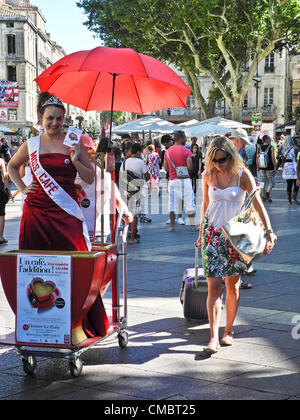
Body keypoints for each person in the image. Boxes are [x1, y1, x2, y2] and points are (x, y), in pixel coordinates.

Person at [7, 92, 100, 346]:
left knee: (74, 263)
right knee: (35, 266)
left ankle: (75, 322)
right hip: (36, 213)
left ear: (64, 118)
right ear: (41, 118)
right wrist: (22, 188)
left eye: (59, 119)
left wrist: (75, 161)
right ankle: (37, 324)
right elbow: (12, 166)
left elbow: (90, 178)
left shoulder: (74, 142)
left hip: (66, 212)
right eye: (50, 118)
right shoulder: (32, 143)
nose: (54, 123)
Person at [196, 136, 276, 354]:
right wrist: (201, 232)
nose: (218, 165)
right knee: (214, 287)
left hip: (235, 237)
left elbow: (258, 204)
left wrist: (269, 232)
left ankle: (228, 330)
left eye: (222, 160)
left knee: (232, 285)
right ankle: (213, 337)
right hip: (212, 234)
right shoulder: (207, 174)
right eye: (214, 160)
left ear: (230, 156)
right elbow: (205, 204)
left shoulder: (242, 175)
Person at [163, 130, 196, 232]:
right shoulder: (187, 151)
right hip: (184, 179)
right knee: (189, 201)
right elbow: (190, 166)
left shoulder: (167, 152)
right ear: (181, 139)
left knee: (171, 202)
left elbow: (165, 168)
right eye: (185, 138)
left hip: (172, 180)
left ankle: (172, 225)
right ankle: (192, 225)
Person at [119, 143, 150, 244]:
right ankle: (132, 237)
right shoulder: (140, 162)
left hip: (125, 190)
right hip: (136, 190)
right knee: (134, 214)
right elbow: (147, 176)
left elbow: (121, 176)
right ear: (137, 152)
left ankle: (125, 233)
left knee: (125, 212)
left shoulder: (124, 162)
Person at [257, 135, 277, 203]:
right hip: (270, 167)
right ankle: (267, 193)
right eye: (269, 138)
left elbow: (257, 157)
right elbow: (273, 158)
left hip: (261, 167)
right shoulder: (271, 147)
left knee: (262, 182)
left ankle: (263, 196)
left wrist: (257, 166)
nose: (270, 139)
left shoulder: (259, 148)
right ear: (267, 139)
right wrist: (275, 167)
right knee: (271, 182)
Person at [282, 136, 299, 205]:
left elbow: (282, 160)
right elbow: (298, 158)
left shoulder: (283, 149)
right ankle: (294, 198)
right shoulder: (295, 148)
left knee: (289, 184)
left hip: (287, 167)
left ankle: (289, 200)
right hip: (294, 167)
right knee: (296, 183)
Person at [0, 153, 12, 244]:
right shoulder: (1, 161)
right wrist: (8, 190)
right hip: (0, 190)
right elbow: (4, 177)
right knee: (1, 214)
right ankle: (0, 237)